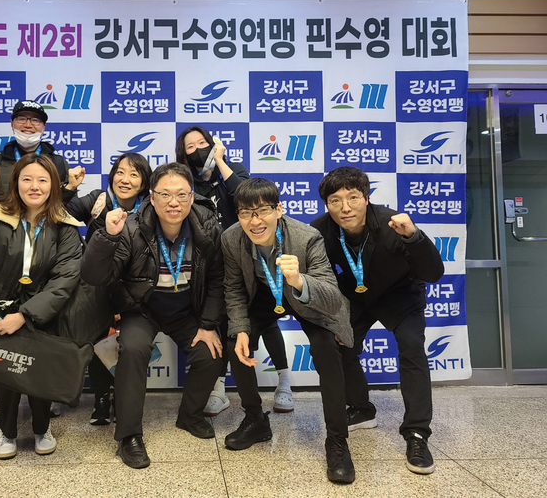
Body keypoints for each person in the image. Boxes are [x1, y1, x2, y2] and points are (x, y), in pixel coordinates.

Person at [81, 162, 224, 469]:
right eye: (165, 194)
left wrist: (209, 325)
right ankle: (129, 436)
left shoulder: (207, 227)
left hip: (185, 308)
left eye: (182, 194)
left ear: (192, 196)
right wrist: (107, 236)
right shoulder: (131, 227)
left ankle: (190, 416)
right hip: (142, 307)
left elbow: (216, 279)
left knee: (210, 353)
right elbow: (94, 276)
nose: (174, 202)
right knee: (133, 351)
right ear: (152, 196)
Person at [311, 166, 445, 475]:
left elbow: (433, 273)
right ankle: (361, 409)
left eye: (353, 197)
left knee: (411, 347)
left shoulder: (394, 224)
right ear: (327, 204)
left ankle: (416, 434)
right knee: (340, 344)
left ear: (366, 197)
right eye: (335, 200)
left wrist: (414, 237)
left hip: (400, 293)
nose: (345, 208)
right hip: (355, 295)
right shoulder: (320, 230)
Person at [221, 178, 356, 484]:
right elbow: (234, 288)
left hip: (304, 297)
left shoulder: (307, 237)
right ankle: (256, 420)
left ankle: (337, 441)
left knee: (326, 348)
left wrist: (298, 281)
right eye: (246, 213)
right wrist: (240, 329)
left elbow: (332, 298)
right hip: (264, 296)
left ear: (279, 209)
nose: (255, 221)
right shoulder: (231, 238)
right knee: (234, 342)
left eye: (263, 210)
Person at [0, 153, 85, 459]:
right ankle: (7, 431)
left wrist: (25, 315)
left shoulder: (64, 225)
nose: (34, 186)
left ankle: (42, 428)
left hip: (40, 309)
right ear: (15, 183)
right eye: (27, 179)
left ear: (53, 185)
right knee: (5, 369)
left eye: (42, 180)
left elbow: (65, 279)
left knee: (38, 368)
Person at [176, 126, 293, 416]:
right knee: (222, 324)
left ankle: (284, 382)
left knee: (266, 321)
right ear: (183, 155)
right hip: (210, 262)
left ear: (214, 143)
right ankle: (219, 388)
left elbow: (244, 197)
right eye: (190, 147)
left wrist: (220, 162)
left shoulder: (233, 169)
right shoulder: (187, 183)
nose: (198, 149)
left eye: (202, 142)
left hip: (245, 255)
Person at [65, 152, 152, 425]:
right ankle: (101, 398)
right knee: (100, 339)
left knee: (130, 344)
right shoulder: (97, 200)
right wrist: (69, 188)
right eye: (120, 172)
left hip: (134, 288)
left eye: (134, 174)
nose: (125, 179)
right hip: (99, 285)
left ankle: (122, 399)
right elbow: (58, 214)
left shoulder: (149, 208)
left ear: (144, 182)